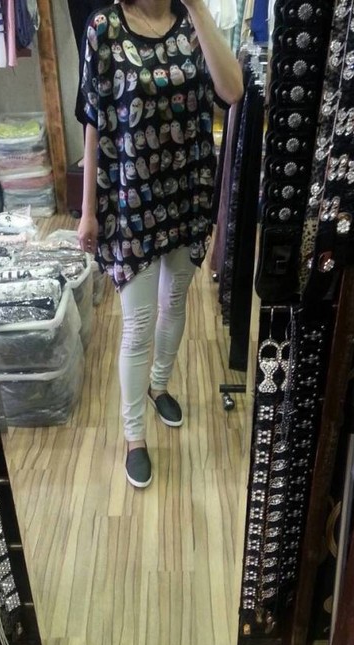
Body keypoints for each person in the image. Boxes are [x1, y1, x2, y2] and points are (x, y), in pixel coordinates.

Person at [77, 0, 243, 488]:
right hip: (130, 202)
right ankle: (134, 436)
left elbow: (232, 90)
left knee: (175, 302)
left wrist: (199, 9)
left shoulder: (194, 25)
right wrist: (88, 210)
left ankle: (159, 385)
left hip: (187, 193)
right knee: (138, 325)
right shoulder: (104, 29)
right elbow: (93, 120)